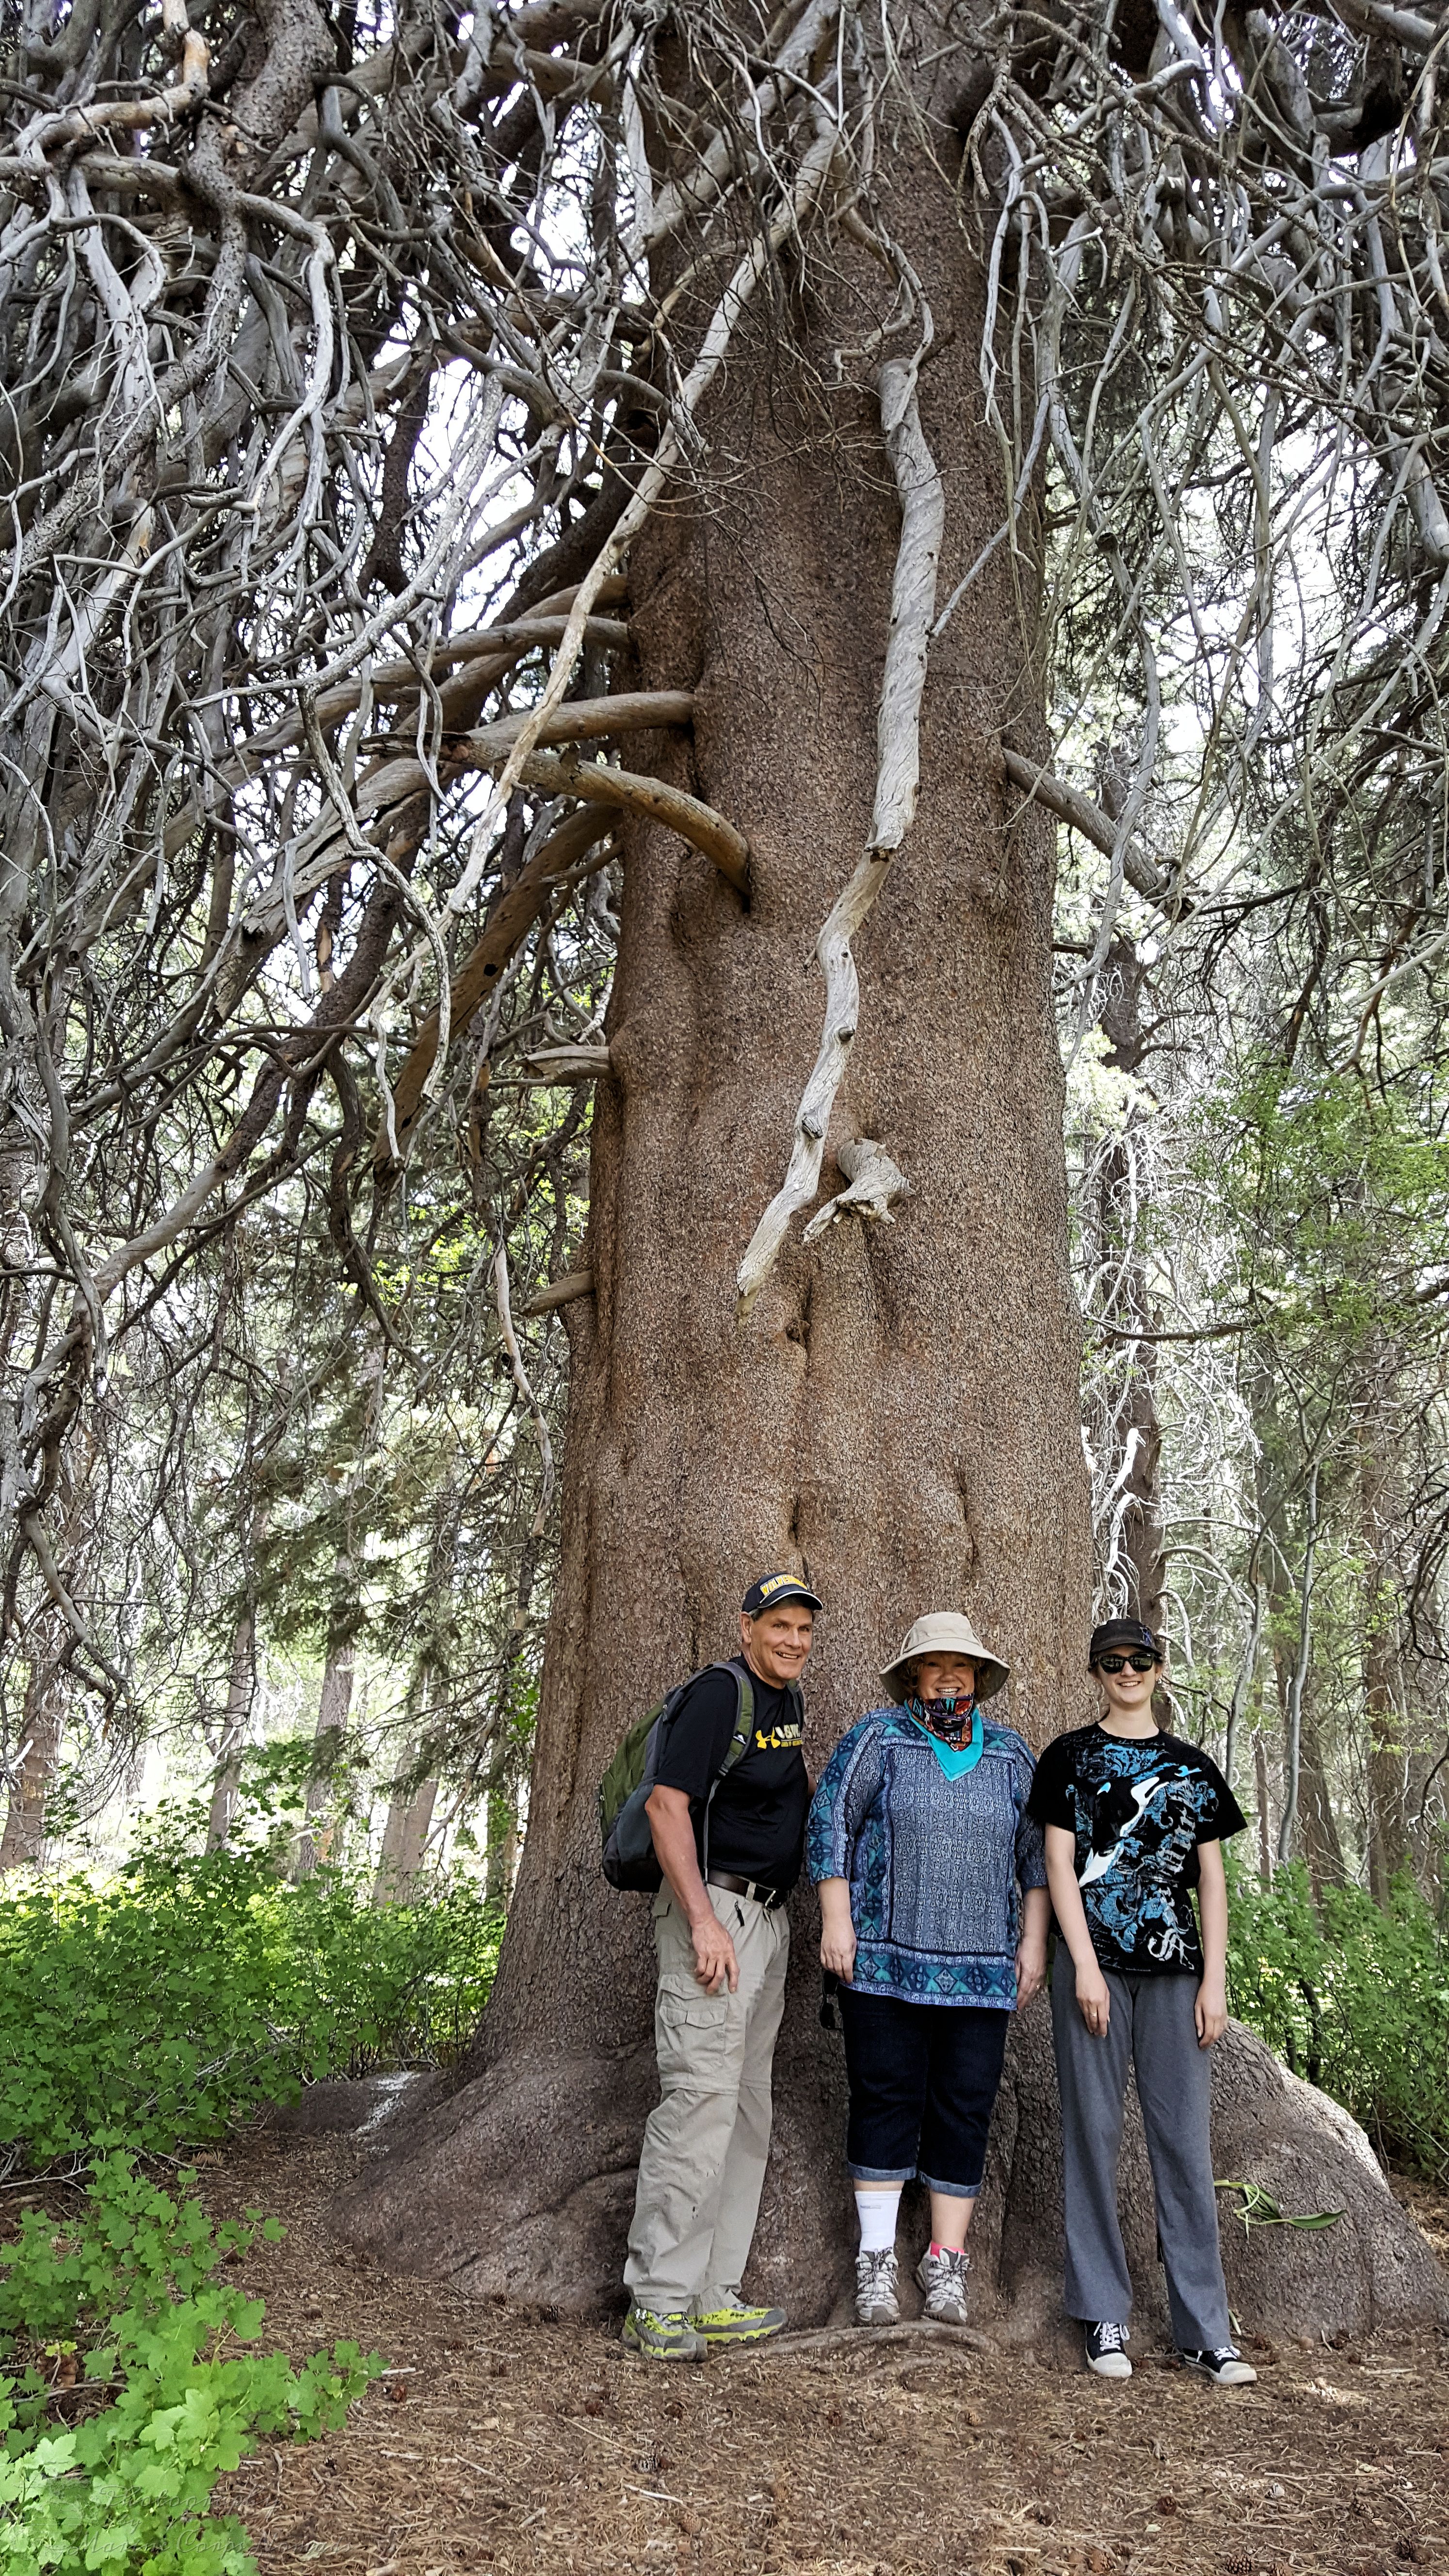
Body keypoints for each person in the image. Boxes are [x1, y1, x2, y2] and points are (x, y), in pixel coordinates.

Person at [1028, 1615, 1257, 2387]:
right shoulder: (1068, 1757)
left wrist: (1215, 1980)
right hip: (1092, 1970)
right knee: (1092, 2135)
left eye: (1140, 1660)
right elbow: (1059, 1864)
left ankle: (1205, 2329)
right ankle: (1103, 2317)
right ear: (1096, 1671)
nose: (1127, 1671)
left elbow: (1214, 1881)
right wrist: (1083, 1966)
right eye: (1112, 1661)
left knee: (1184, 2144)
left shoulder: (1192, 1768)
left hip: (1175, 1973)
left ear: (1158, 1669)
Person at [807, 1611, 1049, 2328]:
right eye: (934, 1664)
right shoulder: (876, 1740)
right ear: (913, 1675)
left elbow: (1038, 1858)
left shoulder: (1011, 1757)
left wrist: (1033, 1945)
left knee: (965, 2107)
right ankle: (876, 2261)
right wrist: (836, 1918)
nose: (949, 1676)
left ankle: (945, 2263)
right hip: (880, 1964)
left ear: (979, 1677)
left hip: (982, 1974)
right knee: (884, 2098)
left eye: (962, 1665)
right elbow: (829, 1825)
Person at [621, 1572, 820, 2361]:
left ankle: (712, 2294)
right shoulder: (717, 1694)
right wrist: (704, 1920)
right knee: (699, 2105)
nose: (794, 1641)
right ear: (747, 1628)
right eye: (779, 1627)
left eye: (804, 1629)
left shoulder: (789, 1703)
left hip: (767, 1920)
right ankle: (657, 2302)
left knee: (744, 2112)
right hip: (717, 1918)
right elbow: (667, 1806)